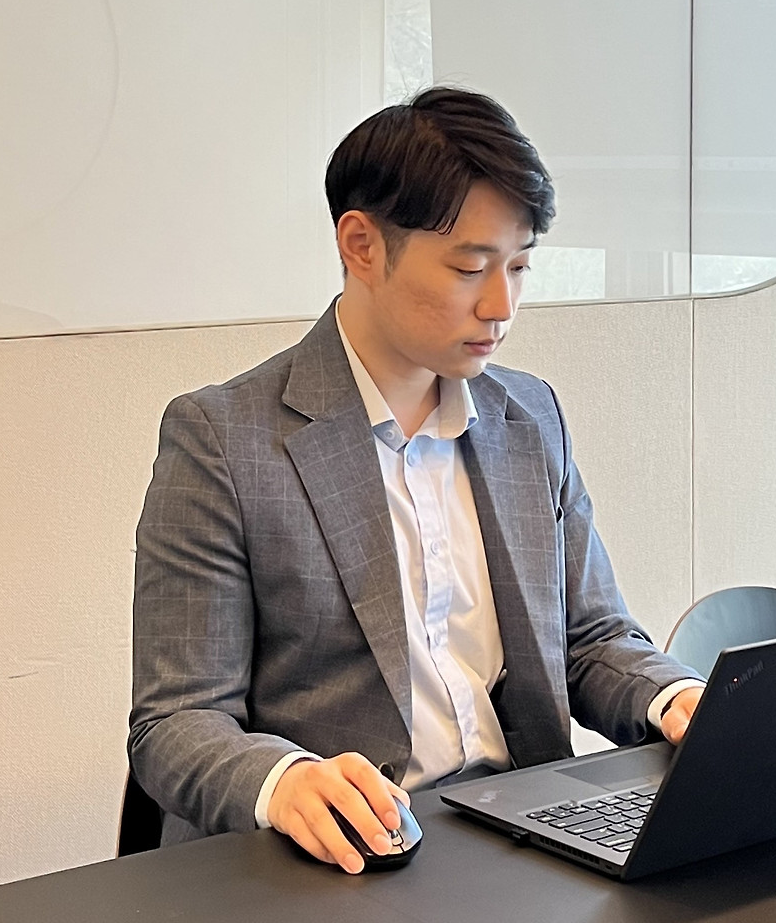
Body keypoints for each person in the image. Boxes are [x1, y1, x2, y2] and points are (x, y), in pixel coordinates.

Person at [129, 87, 703, 873]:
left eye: (520, 267)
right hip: (346, 860)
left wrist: (680, 699)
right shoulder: (224, 441)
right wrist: (286, 781)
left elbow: (592, 640)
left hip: (524, 838)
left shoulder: (529, 418)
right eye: (470, 268)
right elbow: (176, 721)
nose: (501, 306)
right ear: (362, 245)